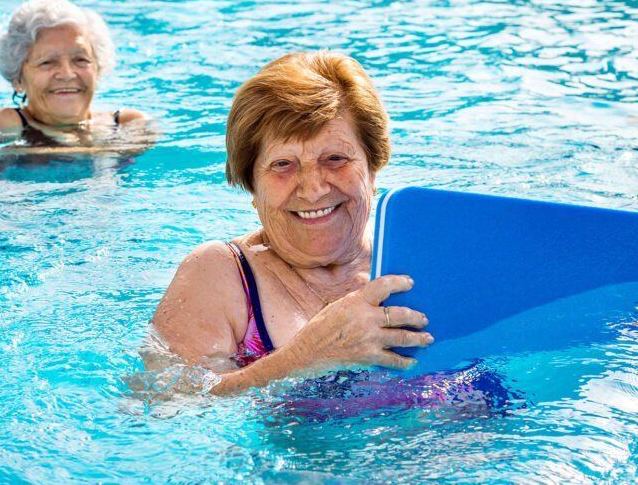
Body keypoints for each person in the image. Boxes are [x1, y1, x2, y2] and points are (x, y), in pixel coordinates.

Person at [152, 50, 434, 395]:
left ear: (373, 170)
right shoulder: (218, 273)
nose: (313, 189)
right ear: (251, 185)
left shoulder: (420, 261)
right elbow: (162, 403)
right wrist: (305, 358)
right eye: (284, 164)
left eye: (335, 159)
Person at [0, 0, 150, 151]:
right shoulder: (7, 124)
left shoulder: (128, 124)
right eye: (47, 62)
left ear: (98, 68)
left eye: (80, 59)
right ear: (18, 80)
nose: (67, 74)